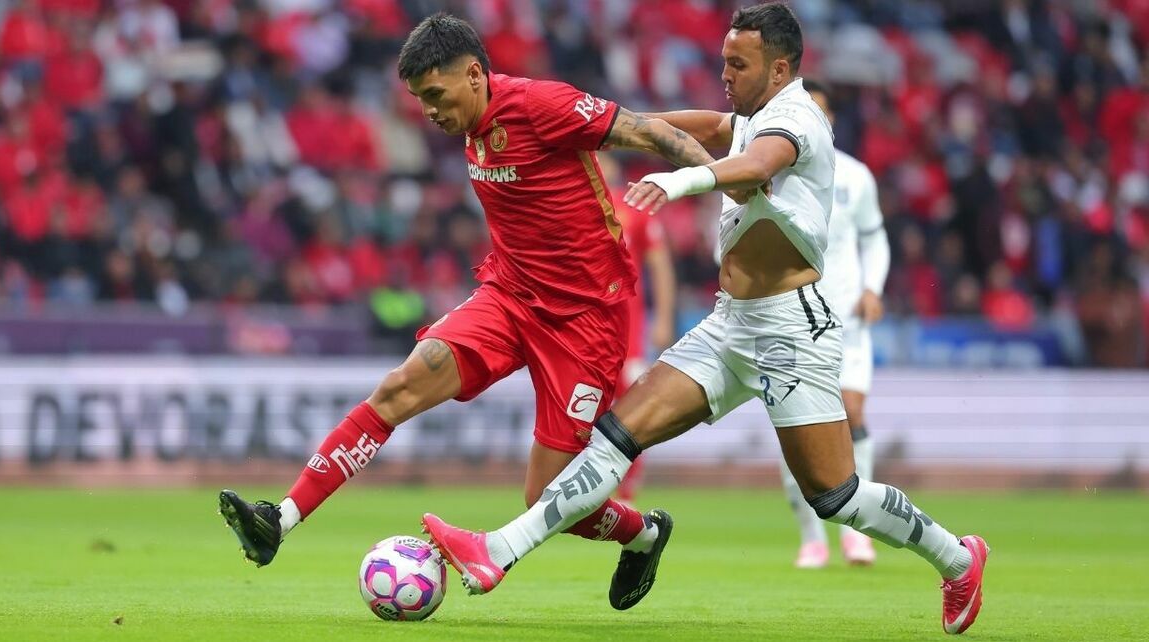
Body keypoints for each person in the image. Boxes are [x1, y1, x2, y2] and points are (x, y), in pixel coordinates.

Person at [422, 4, 989, 634]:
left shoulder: (797, 118)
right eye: (722, 59)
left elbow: (758, 165)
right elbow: (719, 127)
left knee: (835, 496)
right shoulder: (754, 114)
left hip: (791, 332)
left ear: (779, 68)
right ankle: (496, 552)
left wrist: (683, 179)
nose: (724, 73)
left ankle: (958, 558)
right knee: (615, 435)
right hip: (731, 325)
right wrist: (617, 127)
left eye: (737, 64)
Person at [217, 13, 719, 610]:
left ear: (475, 75)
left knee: (549, 499)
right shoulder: (470, 120)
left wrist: (724, 178)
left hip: (584, 323)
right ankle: (280, 518)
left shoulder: (541, 105)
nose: (428, 110)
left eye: (435, 94)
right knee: (402, 384)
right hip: (508, 297)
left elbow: (647, 131)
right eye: (419, 98)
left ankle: (646, 533)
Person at [778, 79, 891, 569]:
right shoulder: (777, 172)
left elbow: (876, 239)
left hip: (846, 315)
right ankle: (811, 536)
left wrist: (873, 289)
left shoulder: (857, 177)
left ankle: (857, 533)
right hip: (793, 315)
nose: (816, 121)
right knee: (797, 427)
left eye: (822, 113)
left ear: (833, 121)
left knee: (853, 413)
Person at [599, 155, 679, 504]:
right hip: (586, 331)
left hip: (628, 334)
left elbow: (660, 266)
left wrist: (663, 319)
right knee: (590, 412)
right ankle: (591, 490)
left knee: (632, 412)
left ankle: (626, 492)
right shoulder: (572, 205)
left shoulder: (634, 209)